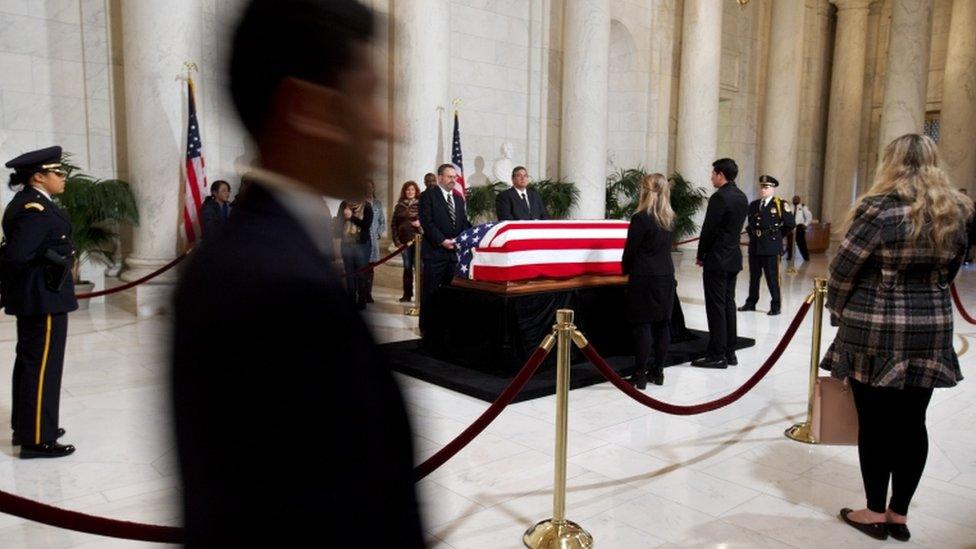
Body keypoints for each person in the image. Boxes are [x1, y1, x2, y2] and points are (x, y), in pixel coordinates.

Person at [171, 1, 424, 546]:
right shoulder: (280, 294)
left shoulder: (246, 253)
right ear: (307, 107)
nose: (392, 127)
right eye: (371, 95)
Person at [821, 134, 971, 542]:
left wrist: (837, 308)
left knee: (874, 423)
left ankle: (872, 511)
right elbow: (954, 267)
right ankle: (899, 513)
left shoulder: (878, 208)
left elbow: (844, 268)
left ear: (890, 163)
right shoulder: (956, 209)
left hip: (877, 328)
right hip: (931, 328)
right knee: (913, 422)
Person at [1, 146, 77, 458]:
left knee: (32, 362)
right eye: (57, 172)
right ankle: (36, 439)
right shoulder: (33, 208)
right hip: (43, 296)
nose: (63, 177)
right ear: (38, 176)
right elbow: (17, 255)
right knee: (42, 366)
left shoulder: (36, 203)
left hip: (41, 295)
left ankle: (31, 425)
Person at [692, 158, 748, 369]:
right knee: (728, 305)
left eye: (713, 173)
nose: (711, 177)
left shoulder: (719, 197)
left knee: (716, 307)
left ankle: (716, 355)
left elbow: (709, 229)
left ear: (721, 175)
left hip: (717, 259)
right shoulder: (742, 197)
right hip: (733, 257)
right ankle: (730, 352)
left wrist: (701, 255)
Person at [621, 173, 675, 388]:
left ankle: (639, 375)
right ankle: (658, 372)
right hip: (666, 276)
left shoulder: (641, 217)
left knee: (642, 325)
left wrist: (624, 270)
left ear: (645, 191)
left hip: (644, 277)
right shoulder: (670, 217)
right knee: (663, 325)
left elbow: (630, 250)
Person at [418, 163, 471, 335]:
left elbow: (463, 222)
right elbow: (427, 222)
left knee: (450, 293)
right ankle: (427, 329)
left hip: (453, 255)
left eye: (454, 177)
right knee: (431, 293)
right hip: (435, 253)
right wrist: (442, 241)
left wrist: (466, 237)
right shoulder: (428, 196)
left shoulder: (458, 198)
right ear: (440, 177)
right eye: (449, 177)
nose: (453, 180)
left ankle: (446, 328)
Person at [738, 175, 794, 316]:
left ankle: (776, 305)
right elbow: (750, 226)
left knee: (772, 278)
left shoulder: (780, 204)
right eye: (761, 187)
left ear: (773, 189)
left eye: (766, 187)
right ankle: (751, 302)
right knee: (754, 277)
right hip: (755, 246)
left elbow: (790, 224)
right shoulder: (754, 205)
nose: (763, 190)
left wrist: (776, 236)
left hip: (771, 248)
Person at [334, 199, 373, 309]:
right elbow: (339, 224)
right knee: (349, 274)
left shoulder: (367, 206)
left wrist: (351, 217)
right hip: (346, 243)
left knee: (361, 274)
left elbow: (366, 225)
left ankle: (362, 300)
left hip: (361, 245)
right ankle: (351, 299)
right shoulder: (343, 204)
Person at [392, 180, 422, 302]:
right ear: (405, 192)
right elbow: (393, 225)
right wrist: (397, 242)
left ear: (416, 192)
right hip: (404, 243)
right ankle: (407, 294)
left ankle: (420, 295)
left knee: (419, 268)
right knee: (407, 268)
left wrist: (420, 225)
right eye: (408, 190)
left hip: (419, 241)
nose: (410, 192)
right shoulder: (399, 206)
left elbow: (427, 222)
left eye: (412, 190)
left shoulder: (421, 205)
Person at [364, 178, 386, 302]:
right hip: (362, 240)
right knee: (362, 267)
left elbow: (382, 222)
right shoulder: (360, 201)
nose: (369, 189)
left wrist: (378, 233)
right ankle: (361, 292)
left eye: (370, 187)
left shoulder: (377, 203)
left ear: (373, 188)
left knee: (371, 268)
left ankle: (369, 293)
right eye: (366, 187)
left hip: (374, 241)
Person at [786, 194, 812, 262]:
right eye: (794, 199)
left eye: (796, 199)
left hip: (799, 227)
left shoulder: (803, 207)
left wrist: (805, 224)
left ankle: (806, 257)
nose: (795, 200)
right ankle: (789, 256)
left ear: (799, 200)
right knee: (789, 243)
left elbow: (809, 217)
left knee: (801, 243)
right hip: (791, 227)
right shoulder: (789, 207)